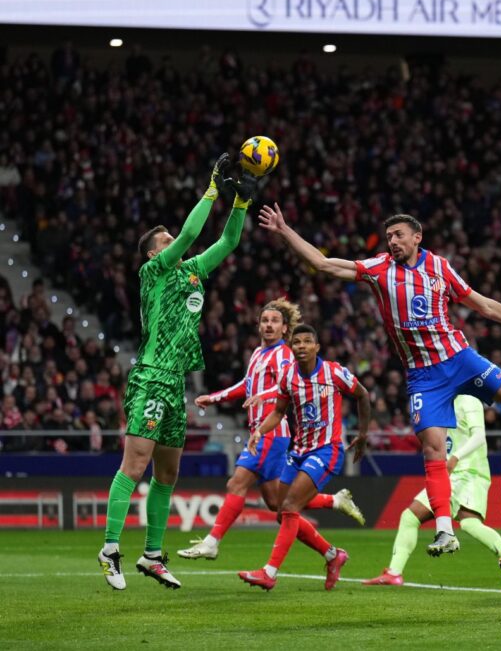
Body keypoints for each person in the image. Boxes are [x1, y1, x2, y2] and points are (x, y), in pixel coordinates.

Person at [257, 206, 501, 556]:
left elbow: (481, 304)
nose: (392, 242)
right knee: (433, 449)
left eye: (398, 235)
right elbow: (322, 263)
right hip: (423, 377)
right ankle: (445, 530)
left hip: (459, 359)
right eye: (388, 236)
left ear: (417, 236)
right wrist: (285, 231)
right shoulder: (379, 269)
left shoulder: (439, 267)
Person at [98, 154, 258, 591]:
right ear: (156, 251)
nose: (177, 241)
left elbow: (226, 243)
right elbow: (190, 232)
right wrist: (212, 187)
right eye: (166, 239)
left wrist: (240, 203)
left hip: (176, 385)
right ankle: (110, 548)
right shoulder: (153, 272)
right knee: (134, 465)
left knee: (167, 474)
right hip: (151, 374)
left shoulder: (192, 273)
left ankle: (152, 555)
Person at [177, 299, 364, 561]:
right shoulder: (257, 353)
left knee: (236, 483)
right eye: (265, 320)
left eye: (274, 321)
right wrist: (215, 397)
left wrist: (262, 396)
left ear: (285, 328)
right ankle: (332, 546)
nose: (268, 325)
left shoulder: (284, 354)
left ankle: (212, 541)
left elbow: (284, 385)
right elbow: (247, 384)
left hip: (271, 433)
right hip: (263, 432)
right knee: (279, 505)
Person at [238, 324, 371, 591]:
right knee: (279, 509)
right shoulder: (288, 377)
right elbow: (278, 412)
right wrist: (259, 432)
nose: (300, 346)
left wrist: (363, 434)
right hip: (298, 452)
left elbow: (362, 394)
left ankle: (269, 572)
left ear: (316, 347)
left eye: (307, 341)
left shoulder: (334, 372)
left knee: (289, 508)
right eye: (296, 342)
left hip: (326, 451)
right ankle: (333, 554)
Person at [362, 395, 501, 586]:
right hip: (449, 474)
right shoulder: (441, 402)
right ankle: (394, 572)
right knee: (410, 517)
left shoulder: (469, 400)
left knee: (470, 523)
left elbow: (479, 437)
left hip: (470, 472)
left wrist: (455, 457)